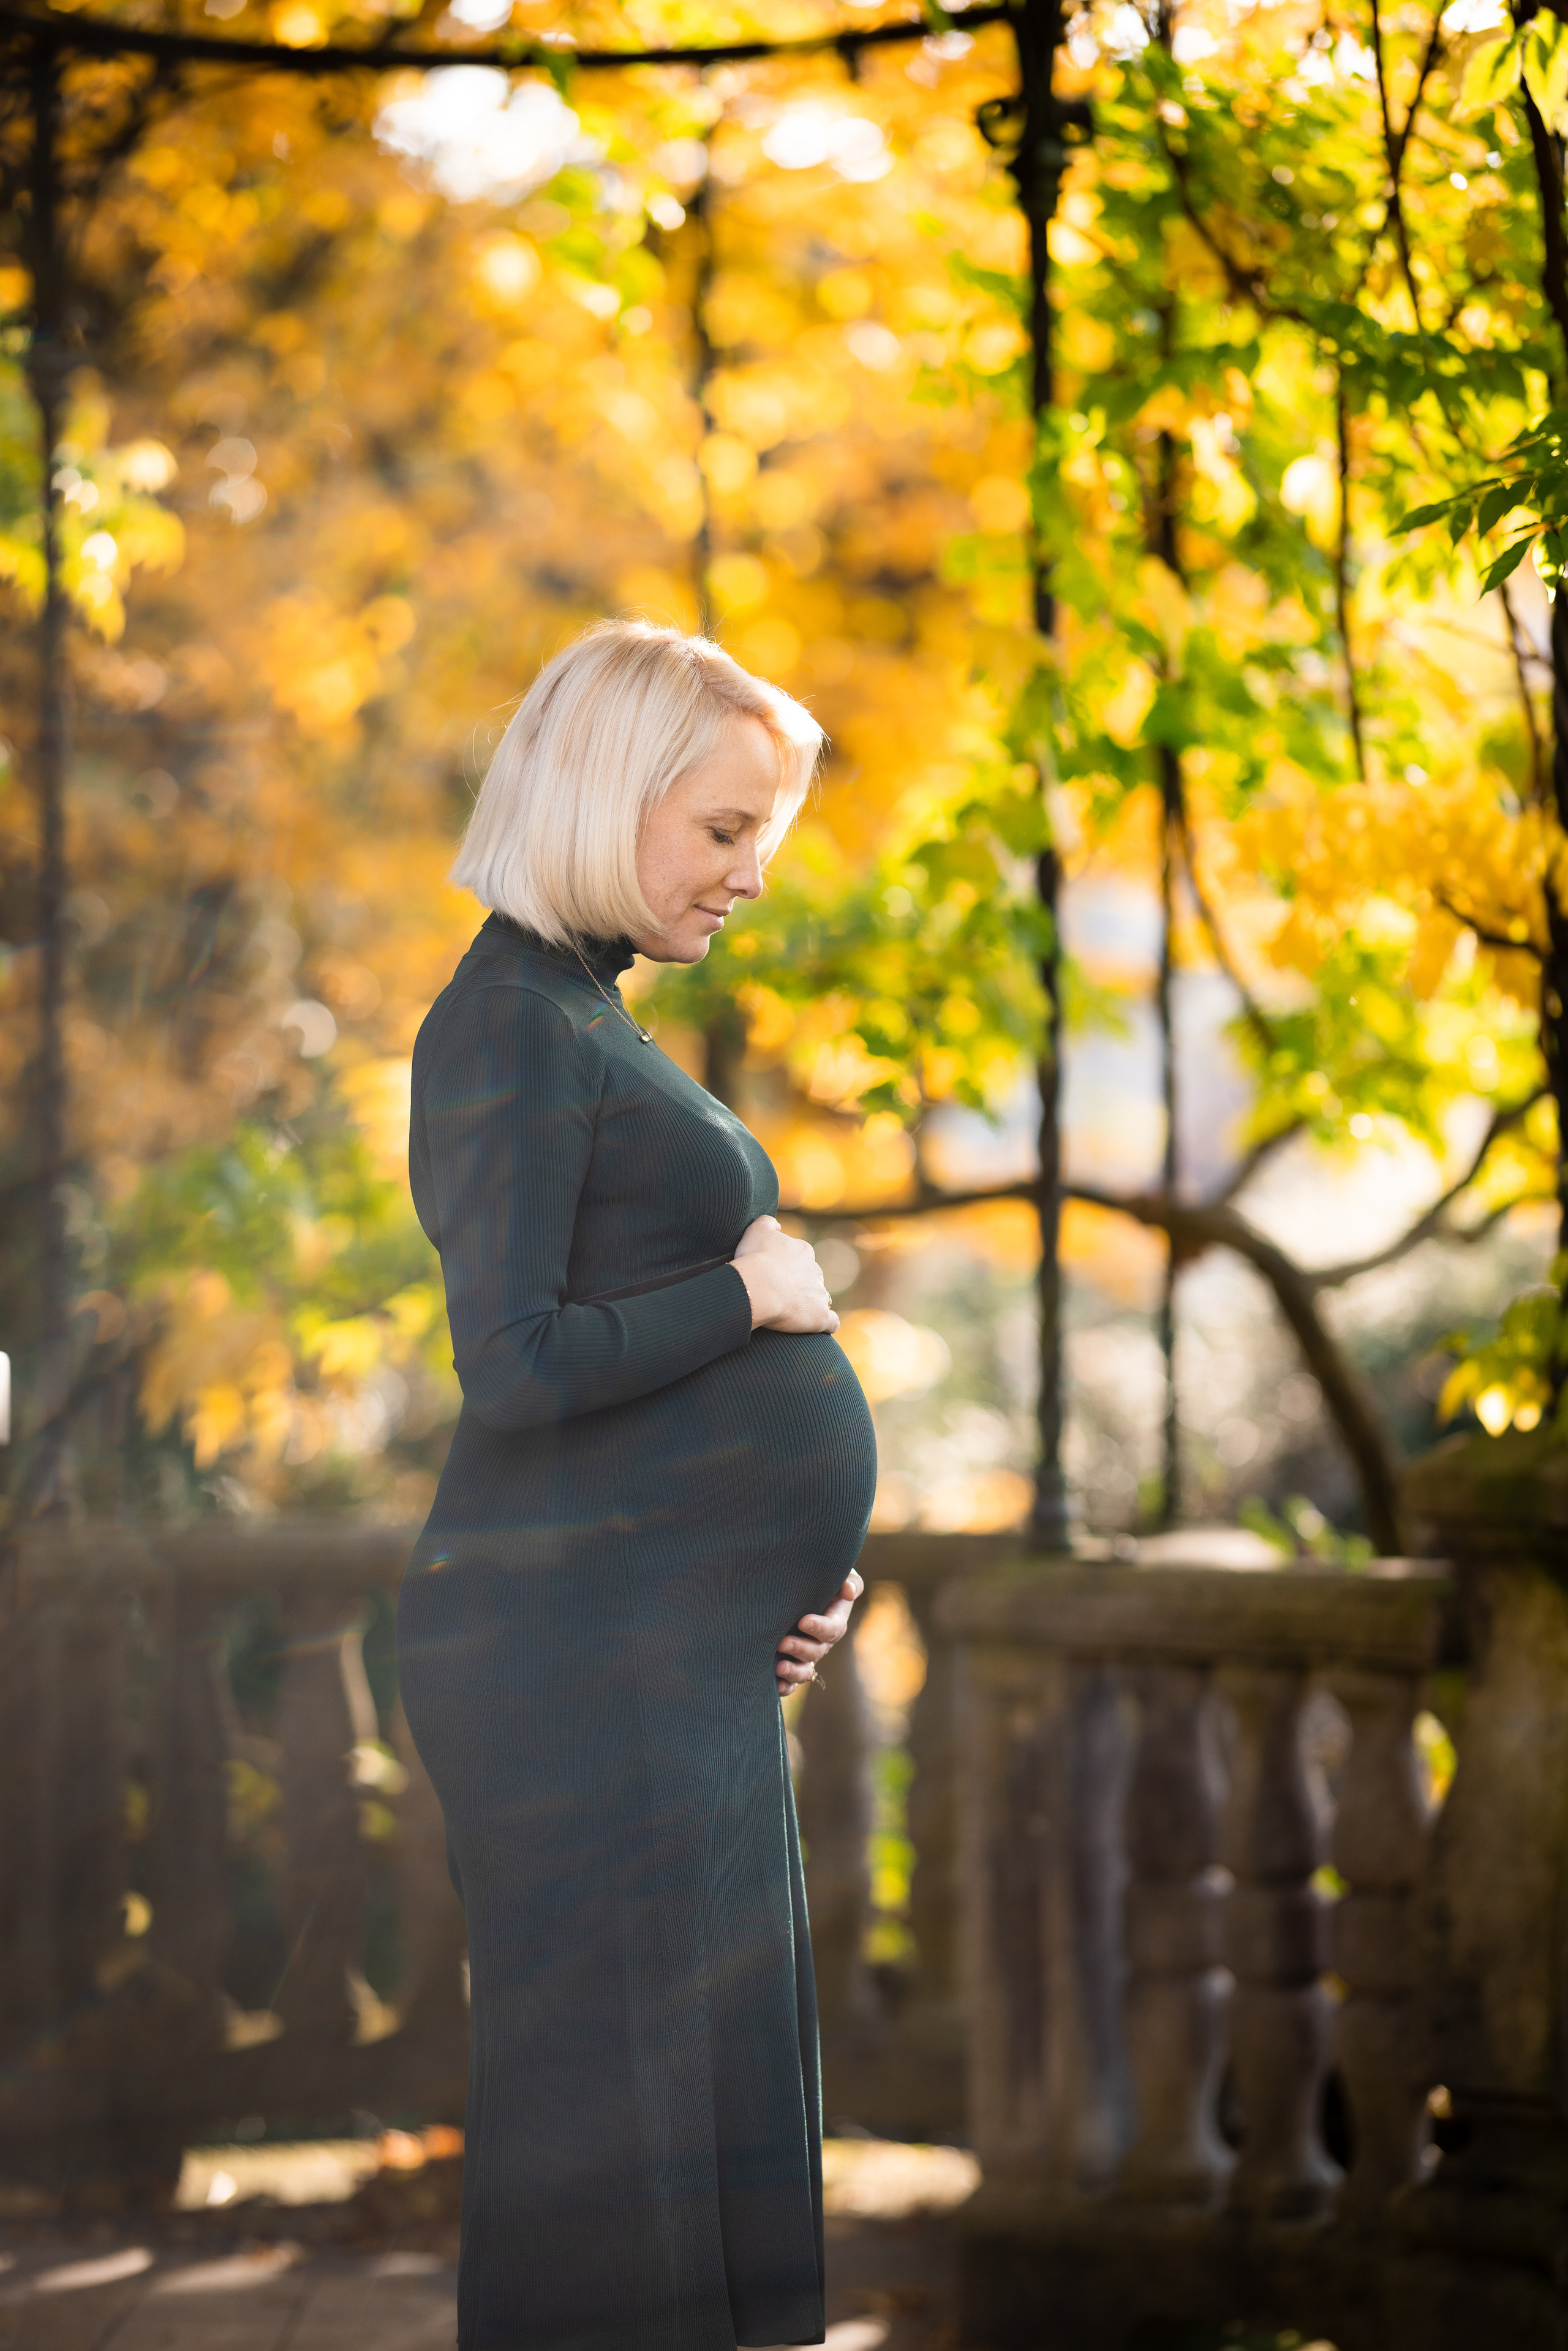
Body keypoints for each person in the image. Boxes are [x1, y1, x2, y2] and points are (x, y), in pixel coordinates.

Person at [397, 619, 877, 2351]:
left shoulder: (580, 1009)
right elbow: (516, 1364)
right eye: (725, 827)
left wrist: (777, 1573)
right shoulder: (511, 1023)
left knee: (695, 2125)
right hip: (565, 1672)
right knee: (612, 2151)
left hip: (648, 1650)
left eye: (767, 832)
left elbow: (642, 1416)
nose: (755, 872)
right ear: (610, 800)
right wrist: (750, 1294)